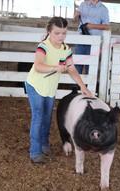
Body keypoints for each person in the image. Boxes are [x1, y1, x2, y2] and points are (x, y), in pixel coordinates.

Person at [26, 16, 93, 164]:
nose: (61, 36)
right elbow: (38, 66)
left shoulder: (66, 49)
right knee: (38, 117)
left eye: (64, 33)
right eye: (57, 33)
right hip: (35, 86)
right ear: (49, 31)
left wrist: (82, 86)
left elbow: (72, 69)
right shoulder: (43, 46)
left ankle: (44, 144)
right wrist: (56, 67)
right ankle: (35, 152)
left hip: (50, 88)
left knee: (47, 117)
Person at [73, 0, 110, 74]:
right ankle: (76, 84)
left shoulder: (103, 9)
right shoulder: (83, 5)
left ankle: (88, 84)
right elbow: (74, 20)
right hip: (82, 37)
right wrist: (76, 16)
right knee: (78, 61)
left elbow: (106, 26)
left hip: (94, 40)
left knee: (90, 63)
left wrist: (90, 26)